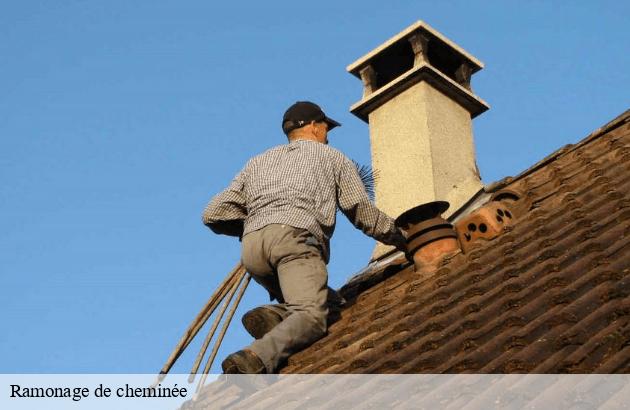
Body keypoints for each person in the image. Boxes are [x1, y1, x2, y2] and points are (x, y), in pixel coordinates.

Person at [202, 101, 406, 374]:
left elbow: (213, 213)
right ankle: (254, 358)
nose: (328, 135)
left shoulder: (257, 162)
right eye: (326, 128)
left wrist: (258, 222)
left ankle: (278, 315)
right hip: (294, 242)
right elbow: (361, 211)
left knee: (333, 305)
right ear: (313, 126)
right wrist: (403, 238)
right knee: (312, 316)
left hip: (253, 250)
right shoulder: (332, 157)